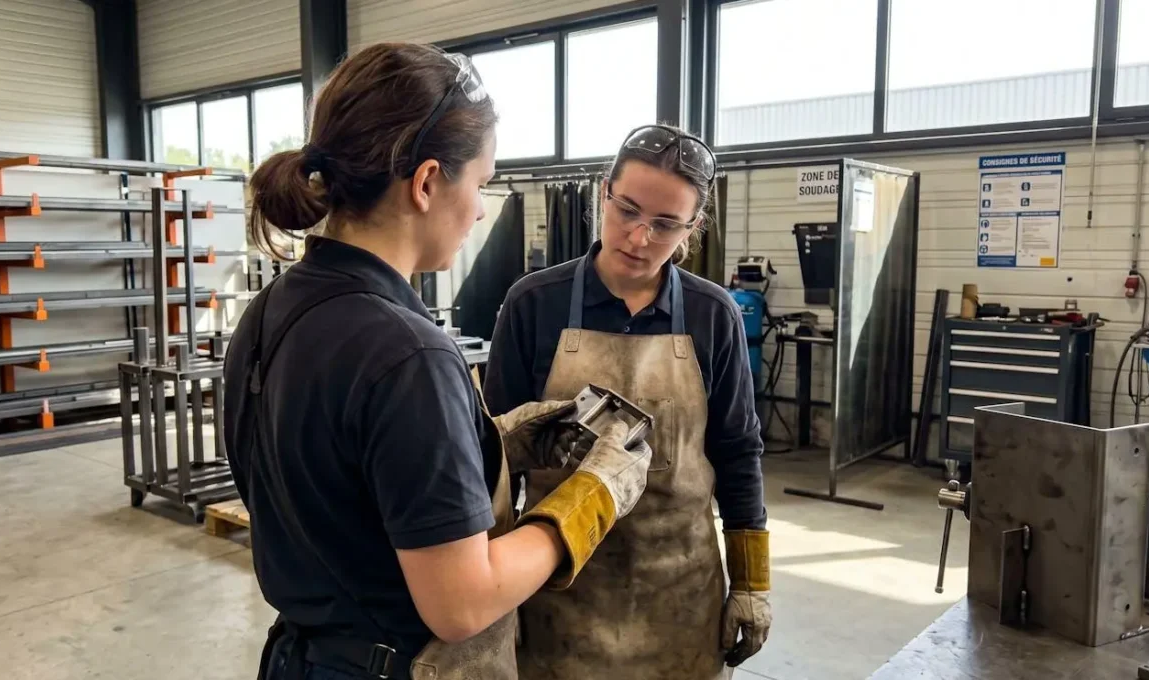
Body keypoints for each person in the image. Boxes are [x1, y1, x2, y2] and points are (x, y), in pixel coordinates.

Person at [223, 43, 653, 680]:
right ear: (426, 183)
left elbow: (338, 484)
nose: (480, 208)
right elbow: (461, 603)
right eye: (479, 183)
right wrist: (591, 498)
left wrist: (491, 443)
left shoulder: (270, 312)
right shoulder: (408, 353)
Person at [483, 124, 773, 679]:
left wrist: (752, 582)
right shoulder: (533, 304)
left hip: (681, 591)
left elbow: (739, 452)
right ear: (603, 192)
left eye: (666, 224)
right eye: (628, 211)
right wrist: (495, 589)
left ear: (693, 227)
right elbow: (495, 462)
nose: (640, 237)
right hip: (559, 586)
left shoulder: (715, 317)